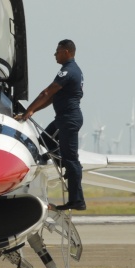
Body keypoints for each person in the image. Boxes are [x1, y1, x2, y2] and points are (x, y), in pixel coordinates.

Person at [14, 39, 85, 211]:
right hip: (63, 118)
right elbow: (52, 97)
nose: (55, 54)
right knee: (45, 140)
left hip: (68, 119)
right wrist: (33, 111)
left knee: (71, 159)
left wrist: (27, 111)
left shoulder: (68, 71)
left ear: (66, 52)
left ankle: (77, 200)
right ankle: (65, 165)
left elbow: (47, 92)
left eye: (57, 51)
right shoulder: (70, 70)